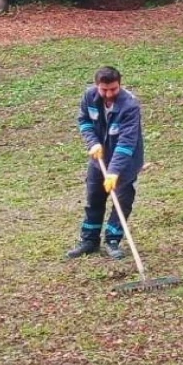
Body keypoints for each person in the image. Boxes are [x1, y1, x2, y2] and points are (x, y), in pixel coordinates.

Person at [67, 66, 145, 261]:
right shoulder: (89, 97)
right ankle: (89, 240)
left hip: (125, 163)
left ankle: (112, 240)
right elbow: (84, 120)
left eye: (113, 89)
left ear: (120, 84)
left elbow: (126, 143)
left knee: (121, 201)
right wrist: (93, 143)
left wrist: (114, 171)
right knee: (94, 198)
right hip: (98, 160)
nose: (109, 94)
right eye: (104, 89)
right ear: (97, 86)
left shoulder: (130, 106)